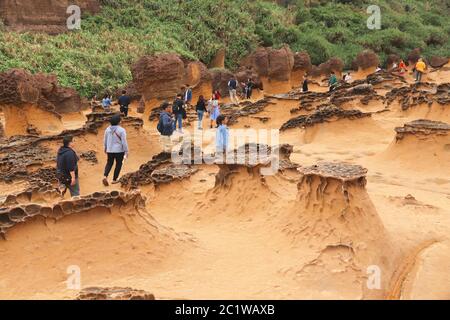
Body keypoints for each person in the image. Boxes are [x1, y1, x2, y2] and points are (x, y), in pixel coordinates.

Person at [102, 114, 129, 186]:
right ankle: (114, 179)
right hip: (119, 150)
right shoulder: (121, 130)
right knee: (118, 164)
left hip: (110, 150)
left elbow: (105, 139)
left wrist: (105, 148)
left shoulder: (107, 129)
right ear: (119, 122)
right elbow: (124, 142)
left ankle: (105, 176)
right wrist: (126, 151)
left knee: (109, 163)